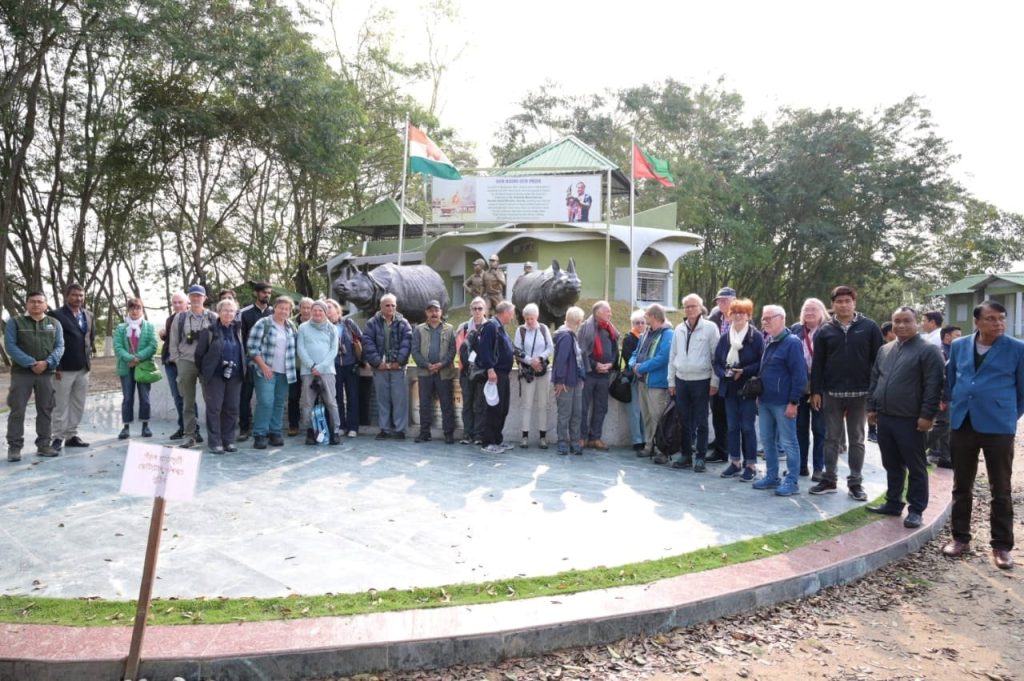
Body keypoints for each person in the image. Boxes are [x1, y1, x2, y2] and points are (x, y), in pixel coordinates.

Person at [942, 300, 1024, 570]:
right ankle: (960, 538)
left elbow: (1022, 391)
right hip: (963, 422)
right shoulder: (959, 345)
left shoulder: (1017, 349)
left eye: (1001, 318)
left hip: (998, 426)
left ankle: (1001, 546)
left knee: (1000, 487)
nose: (998, 323)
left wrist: (1008, 416)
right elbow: (952, 380)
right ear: (977, 322)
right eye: (991, 319)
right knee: (961, 484)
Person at [865, 307, 945, 528]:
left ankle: (916, 509)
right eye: (896, 321)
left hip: (911, 419)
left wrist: (927, 415)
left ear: (916, 322)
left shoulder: (928, 350)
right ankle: (893, 502)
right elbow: (875, 380)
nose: (900, 325)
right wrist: (871, 407)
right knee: (891, 463)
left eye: (906, 321)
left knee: (915, 465)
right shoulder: (885, 350)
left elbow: (934, 385)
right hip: (885, 417)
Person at [809, 285, 883, 501]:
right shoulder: (824, 330)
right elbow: (818, 363)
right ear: (832, 305)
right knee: (830, 439)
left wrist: (875, 393)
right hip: (831, 393)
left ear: (854, 303)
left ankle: (855, 483)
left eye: (847, 301)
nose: (843, 305)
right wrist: (816, 391)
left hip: (861, 394)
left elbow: (879, 361)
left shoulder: (869, 327)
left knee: (858, 439)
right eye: (838, 301)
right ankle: (829, 479)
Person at [753, 305, 808, 496]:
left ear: (782, 319)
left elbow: (799, 375)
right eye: (763, 318)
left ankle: (792, 481)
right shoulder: (769, 340)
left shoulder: (792, 342)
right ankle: (772, 476)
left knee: (789, 442)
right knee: (768, 441)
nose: (765, 321)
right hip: (766, 401)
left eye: (770, 318)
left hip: (784, 403)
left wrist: (794, 402)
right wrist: (759, 396)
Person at [5, 291, 64, 461]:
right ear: (26, 304)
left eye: (40, 302)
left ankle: (44, 445)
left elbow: (60, 347)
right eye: (32, 302)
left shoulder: (54, 323)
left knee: (45, 409)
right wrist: (31, 363)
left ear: (46, 305)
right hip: (22, 373)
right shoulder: (15, 322)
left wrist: (47, 363)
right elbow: (10, 346)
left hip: (46, 373)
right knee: (17, 410)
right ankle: (14, 448)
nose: (36, 305)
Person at [668, 294, 720, 472]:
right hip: (681, 380)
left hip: (702, 381)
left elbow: (716, 357)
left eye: (693, 306)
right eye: (687, 306)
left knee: (701, 420)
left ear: (701, 307)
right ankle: (686, 455)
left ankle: (700, 457)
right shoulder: (679, 328)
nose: (690, 309)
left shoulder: (710, 328)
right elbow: (672, 356)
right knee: (683, 420)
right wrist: (671, 381)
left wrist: (714, 381)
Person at [713, 298, 763, 481]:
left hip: (747, 389)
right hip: (729, 388)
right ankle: (735, 462)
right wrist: (723, 373)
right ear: (729, 316)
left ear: (749, 316)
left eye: (742, 313)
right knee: (732, 427)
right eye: (734, 313)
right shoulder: (725, 337)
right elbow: (717, 361)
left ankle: (750, 464)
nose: (738, 316)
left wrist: (744, 371)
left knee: (747, 427)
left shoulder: (755, 336)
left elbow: (761, 362)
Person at [48, 283, 96, 450]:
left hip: (83, 368)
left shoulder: (88, 315)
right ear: (67, 296)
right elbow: (50, 343)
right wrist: (56, 366)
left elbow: (90, 337)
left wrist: (90, 357)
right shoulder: (55, 315)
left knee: (78, 403)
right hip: (63, 369)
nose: (78, 298)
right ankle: (56, 438)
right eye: (75, 295)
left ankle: (71, 436)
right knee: (60, 405)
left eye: (81, 295)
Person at [168, 284, 217, 448]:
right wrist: (177, 360)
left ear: (205, 298)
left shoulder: (212, 317)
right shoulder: (180, 318)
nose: (196, 299)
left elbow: (218, 340)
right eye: (193, 295)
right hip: (186, 361)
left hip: (206, 363)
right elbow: (173, 341)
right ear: (189, 298)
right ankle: (190, 435)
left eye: (199, 296)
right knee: (187, 401)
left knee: (210, 400)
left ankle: (214, 435)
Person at [247, 296, 298, 449]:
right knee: (266, 402)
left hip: (284, 372)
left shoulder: (291, 326)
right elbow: (252, 347)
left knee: (279, 403)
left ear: (290, 311)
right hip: (266, 370)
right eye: (281, 307)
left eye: (287, 309)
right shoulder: (263, 324)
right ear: (274, 308)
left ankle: (275, 432)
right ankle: (260, 433)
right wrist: (263, 366)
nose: (283, 311)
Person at [195, 298, 246, 453]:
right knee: (214, 409)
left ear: (235, 313)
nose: (228, 313)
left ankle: (228, 441)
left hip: (235, 376)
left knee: (231, 408)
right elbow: (199, 355)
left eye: (232, 311)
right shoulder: (209, 331)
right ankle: (215, 442)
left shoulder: (237, 329)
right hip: (215, 376)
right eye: (225, 310)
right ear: (219, 312)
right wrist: (206, 372)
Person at [362, 293, 412, 440]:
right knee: (382, 400)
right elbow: (368, 343)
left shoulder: (404, 323)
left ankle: (400, 430)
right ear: (381, 307)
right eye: (387, 305)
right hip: (380, 368)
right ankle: (384, 429)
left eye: (393, 305)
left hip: (398, 368)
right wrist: (378, 363)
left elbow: (407, 343)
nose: (391, 308)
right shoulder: (372, 323)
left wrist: (399, 361)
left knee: (399, 400)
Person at [630, 304, 674, 463]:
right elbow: (636, 353)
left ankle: (661, 450)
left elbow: (663, 357)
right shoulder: (646, 334)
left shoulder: (668, 334)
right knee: (646, 416)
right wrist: (633, 364)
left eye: (646, 316)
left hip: (657, 383)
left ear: (654, 317)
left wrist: (642, 367)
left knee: (658, 418)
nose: (644, 319)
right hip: (642, 382)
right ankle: (649, 446)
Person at [791, 298, 829, 480]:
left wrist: (818, 390)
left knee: (820, 429)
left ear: (822, 312)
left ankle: (819, 468)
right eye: (806, 309)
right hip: (800, 387)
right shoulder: (795, 330)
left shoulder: (828, 331)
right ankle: (801, 465)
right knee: (800, 428)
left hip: (820, 387)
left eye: (813, 309)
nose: (809, 313)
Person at [297, 300, 343, 445]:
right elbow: (300, 349)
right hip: (308, 371)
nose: (317, 313)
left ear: (325, 312)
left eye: (320, 310)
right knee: (307, 402)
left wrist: (321, 367)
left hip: (327, 371)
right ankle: (310, 431)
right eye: (315, 310)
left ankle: (335, 431)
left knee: (331, 401)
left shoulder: (332, 329)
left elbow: (333, 350)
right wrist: (312, 365)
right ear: (311, 312)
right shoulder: (303, 327)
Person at [411, 299, 456, 444]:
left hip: (444, 372)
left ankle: (448, 434)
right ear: (426, 313)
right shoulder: (419, 329)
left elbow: (452, 350)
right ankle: (425, 433)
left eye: (436, 310)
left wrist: (441, 364)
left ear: (441, 312)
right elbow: (415, 351)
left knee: (446, 404)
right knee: (424, 404)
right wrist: (426, 365)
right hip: (425, 373)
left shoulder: (449, 329)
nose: (434, 313)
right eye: (430, 310)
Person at [112, 297, 157, 440]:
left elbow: (153, 345)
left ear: (142, 310)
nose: (135, 311)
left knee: (145, 397)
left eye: (138, 308)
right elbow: (117, 347)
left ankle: (145, 425)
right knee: (127, 398)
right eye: (132, 308)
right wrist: (130, 359)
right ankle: (126, 427)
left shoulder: (149, 327)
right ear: (128, 310)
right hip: (126, 368)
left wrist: (138, 358)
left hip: (143, 367)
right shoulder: (120, 328)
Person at [576, 301, 619, 450]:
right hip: (588, 374)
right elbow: (581, 352)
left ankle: (595, 438)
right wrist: (595, 365)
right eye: (608, 311)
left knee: (601, 407)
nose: (610, 314)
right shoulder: (585, 328)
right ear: (598, 312)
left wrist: (611, 364)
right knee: (583, 407)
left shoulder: (610, 329)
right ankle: (581, 438)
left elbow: (615, 351)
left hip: (605, 375)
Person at [476, 300, 516, 454]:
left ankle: (497, 440)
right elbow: (484, 350)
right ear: (505, 313)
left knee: (502, 409)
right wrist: (490, 370)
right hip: (495, 374)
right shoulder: (491, 326)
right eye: (511, 314)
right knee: (494, 408)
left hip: (503, 374)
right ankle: (488, 442)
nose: (512, 317)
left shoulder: (500, 328)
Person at [237, 281, 273, 441]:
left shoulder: (274, 313)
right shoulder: (245, 313)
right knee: (245, 396)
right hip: (249, 363)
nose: (267, 295)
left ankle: (266, 428)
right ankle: (245, 428)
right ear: (256, 293)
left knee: (266, 398)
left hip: (270, 364)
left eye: (269, 293)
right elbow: (240, 339)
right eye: (264, 292)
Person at [514, 303, 553, 449]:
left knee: (544, 404)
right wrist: (531, 361)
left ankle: (543, 437)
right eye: (527, 318)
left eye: (532, 318)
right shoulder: (520, 330)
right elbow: (517, 350)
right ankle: (524, 436)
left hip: (543, 370)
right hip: (528, 372)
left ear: (537, 317)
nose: (529, 321)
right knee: (527, 404)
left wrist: (540, 359)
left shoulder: (543, 328)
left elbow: (550, 347)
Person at [926, 325, 962, 468]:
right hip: (944, 396)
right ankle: (918, 448)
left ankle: (945, 457)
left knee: (948, 426)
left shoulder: (952, 351)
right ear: (947, 336)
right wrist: (942, 397)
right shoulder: (941, 352)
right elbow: (940, 377)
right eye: (957, 335)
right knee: (942, 425)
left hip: (951, 395)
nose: (960, 338)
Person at [707, 286, 736, 463]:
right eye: (719, 300)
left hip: (735, 375)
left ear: (734, 300)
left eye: (725, 300)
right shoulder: (713, 319)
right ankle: (720, 448)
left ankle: (730, 451)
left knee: (732, 416)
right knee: (717, 412)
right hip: (716, 371)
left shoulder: (741, 318)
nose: (721, 303)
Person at [325, 299, 362, 439]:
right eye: (325, 308)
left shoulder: (348, 323)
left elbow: (360, 338)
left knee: (352, 396)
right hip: (333, 366)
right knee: (337, 397)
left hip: (350, 364)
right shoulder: (324, 326)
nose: (328, 310)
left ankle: (353, 427)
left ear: (337, 309)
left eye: (330, 307)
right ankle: (340, 425)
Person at [552, 306, 586, 455]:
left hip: (576, 380)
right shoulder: (566, 336)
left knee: (576, 412)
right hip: (566, 382)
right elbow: (560, 361)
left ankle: (574, 441)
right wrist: (559, 381)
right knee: (565, 413)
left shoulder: (571, 335)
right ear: (578, 321)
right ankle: (563, 442)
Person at [455, 297, 489, 445]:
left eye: (480, 308)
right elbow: (459, 349)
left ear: (485, 310)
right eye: (474, 308)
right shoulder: (463, 328)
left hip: (482, 373)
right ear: (470, 310)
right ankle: (467, 434)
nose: (477, 311)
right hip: (466, 372)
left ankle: (479, 435)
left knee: (480, 404)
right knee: (467, 403)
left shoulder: (490, 327)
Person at [160, 291, 190, 440]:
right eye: (174, 302)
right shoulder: (170, 319)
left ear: (187, 303)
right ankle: (182, 426)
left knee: (187, 396)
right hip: (170, 362)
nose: (177, 305)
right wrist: (164, 335)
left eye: (180, 302)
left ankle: (193, 428)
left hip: (185, 363)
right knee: (177, 396)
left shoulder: (191, 318)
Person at [286, 297, 314, 436]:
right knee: (293, 396)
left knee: (313, 396)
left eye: (309, 307)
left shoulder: (317, 322)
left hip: (311, 366)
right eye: (304, 307)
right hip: (294, 366)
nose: (306, 310)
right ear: (299, 308)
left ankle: (313, 425)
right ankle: (293, 424)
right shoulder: (290, 323)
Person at [622, 309, 647, 454]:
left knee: (645, 412)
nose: (640, 325)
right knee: (635, 411)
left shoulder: (647, 337)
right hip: (633, 378)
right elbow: (627, 357)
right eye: (637, 323)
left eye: (643, 322)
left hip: (645, 377)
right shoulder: (629, 339)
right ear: (633, 324)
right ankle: (637, 440)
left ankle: (645, 438)